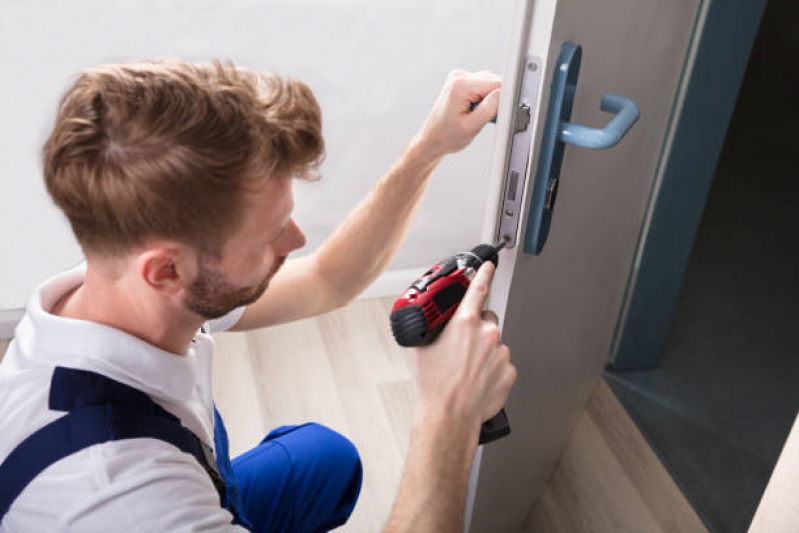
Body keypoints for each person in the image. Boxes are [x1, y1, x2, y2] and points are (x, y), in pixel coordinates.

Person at [0, 59, 516, 532]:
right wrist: (449, 416)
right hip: (154, 486)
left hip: (193, 462)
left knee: (326, 460)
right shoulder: (128, 501)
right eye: (270, 234)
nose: (296, 241)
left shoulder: (126, 290)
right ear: (167, 271)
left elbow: (329, 280)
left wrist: (430, 147)